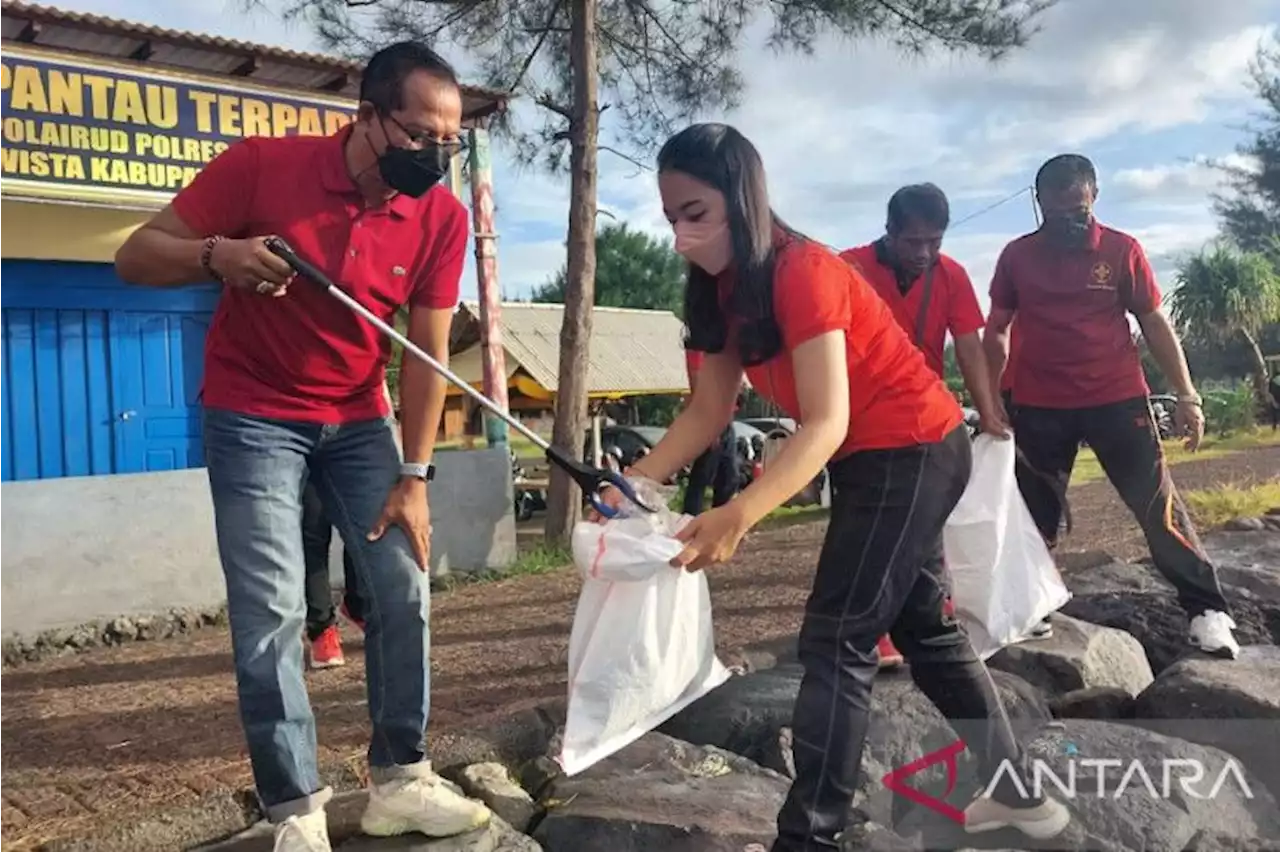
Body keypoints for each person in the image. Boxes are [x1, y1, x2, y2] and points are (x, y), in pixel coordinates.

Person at [603, 122, 1069, 850]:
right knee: (926, 632)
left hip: (915, 447)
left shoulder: (802, 271)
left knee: (836, 640)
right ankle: (1019, 797)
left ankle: (808, 836)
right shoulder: (720, 291)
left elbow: (823, 421)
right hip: (875, 460)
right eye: (670, 218)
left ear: (741, 200)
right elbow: (708, 409)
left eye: (694, 214)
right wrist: (632, 484)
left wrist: (741, 513)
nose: (679, 237)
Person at [114, 41, 491, 851]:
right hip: (252, 414)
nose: (435, 154)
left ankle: (400, 779)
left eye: (449, 142)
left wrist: (415, 474)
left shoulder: (441, 217)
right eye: (420, 134)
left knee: (402, 586)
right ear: (367, 118)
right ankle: (295, 811)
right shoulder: (260, 167)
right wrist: (218, 256)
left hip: (359, 418)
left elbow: (423, 355)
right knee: (272, 610)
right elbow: (134, 255)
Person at [984, 153, 1239, 659]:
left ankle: (1207, 611)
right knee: (1036, 515)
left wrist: (1186, 394)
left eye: (1078, 210)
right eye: (1058, 214)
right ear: (1040, 205)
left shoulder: (1122, 250)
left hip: (1117, 400)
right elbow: (996, 330)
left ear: (1093, 198)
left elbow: (1154, 322)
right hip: (1039, 404)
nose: (1069, 222)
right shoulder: (1017, 256)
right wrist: (990, 401)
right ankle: (1031, 608)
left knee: (1156, 506)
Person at [839, 183, 1018, 668]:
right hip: (858, 423)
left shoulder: (952, 276)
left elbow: (968, 345)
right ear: (889, 231)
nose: (924, 253)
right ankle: (876, 631)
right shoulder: (848, 268)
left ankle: (925, 625)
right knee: (865, 527)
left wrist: (989, 410)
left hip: (923, 420)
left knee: (923, 527)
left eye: (934, 241)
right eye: (912, 241)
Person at [301, 477, 364, 669]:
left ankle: (359, 606)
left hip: (353, 449)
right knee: (313, 526)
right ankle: (321, 627)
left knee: (362, 525)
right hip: (305, 457)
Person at [682, 348, 740, 514]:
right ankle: (690, 518)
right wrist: (709, 425)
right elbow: (696, 381)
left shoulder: (721, 343)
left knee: (729, 476)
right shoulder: (699, 346)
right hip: (711, 419)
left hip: (726, 418)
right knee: (703, 475)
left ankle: (719, 517)